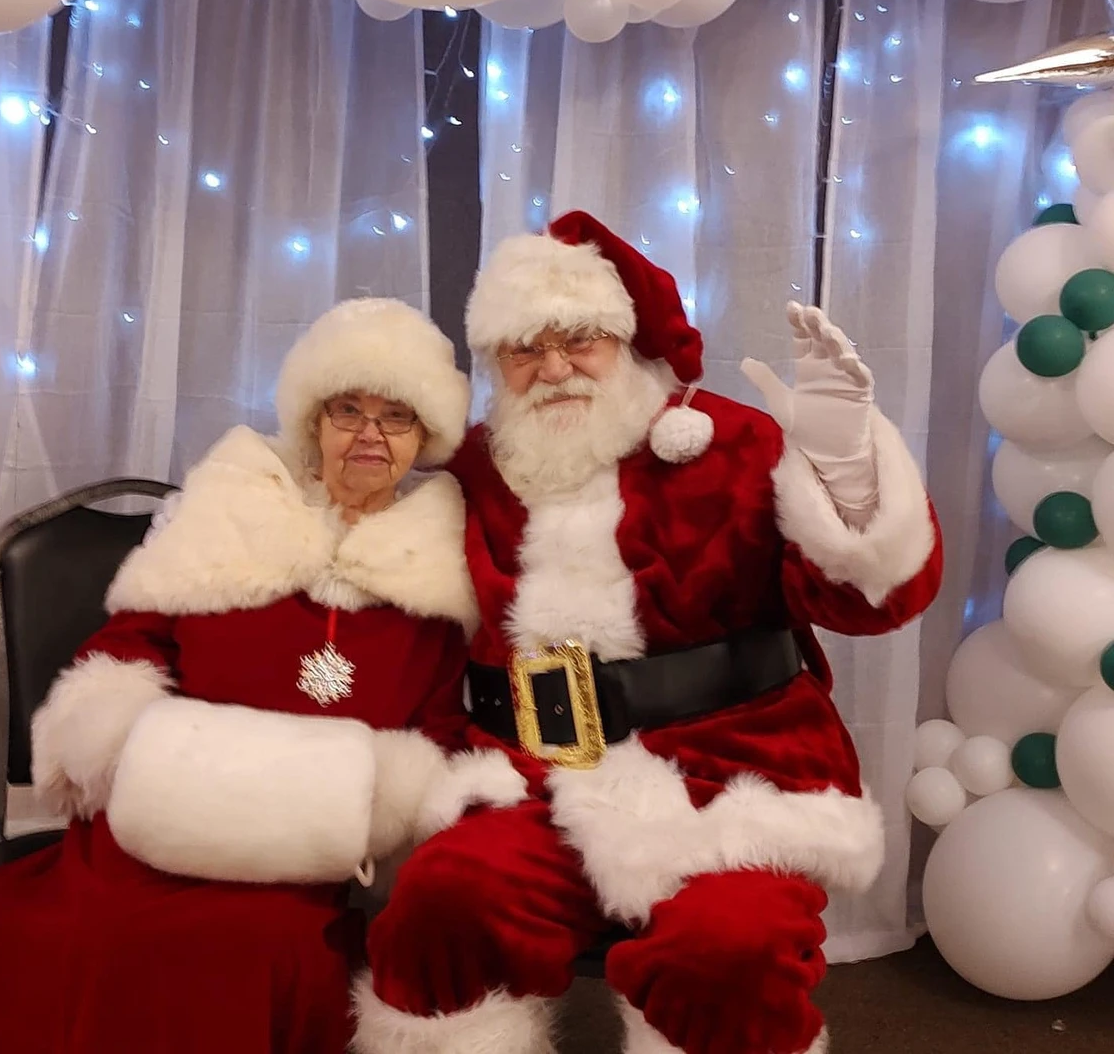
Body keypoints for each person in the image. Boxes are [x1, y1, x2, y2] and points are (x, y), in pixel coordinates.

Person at [352, 212, 944, 1054]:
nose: (554, 368)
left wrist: (844, 465)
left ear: (626, 340)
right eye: (525, 350)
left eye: (581, 339)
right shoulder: (479, 466)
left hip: (736, 774)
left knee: (726, 950)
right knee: (441, 904)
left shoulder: (734, 442)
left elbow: (875, 602)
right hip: (532, 778)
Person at [0, 298, 523, 1054]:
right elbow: (129, 646)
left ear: (424, 439)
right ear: (314, 422)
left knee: (267, 948)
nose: (370, 435)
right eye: (348, 410)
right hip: (161, 818)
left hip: (298, 849)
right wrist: (133, 750)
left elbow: (441, 728)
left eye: (397, 418)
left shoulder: (440, 569)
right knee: (51, 925)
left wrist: (382, 802)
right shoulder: (231, 508)